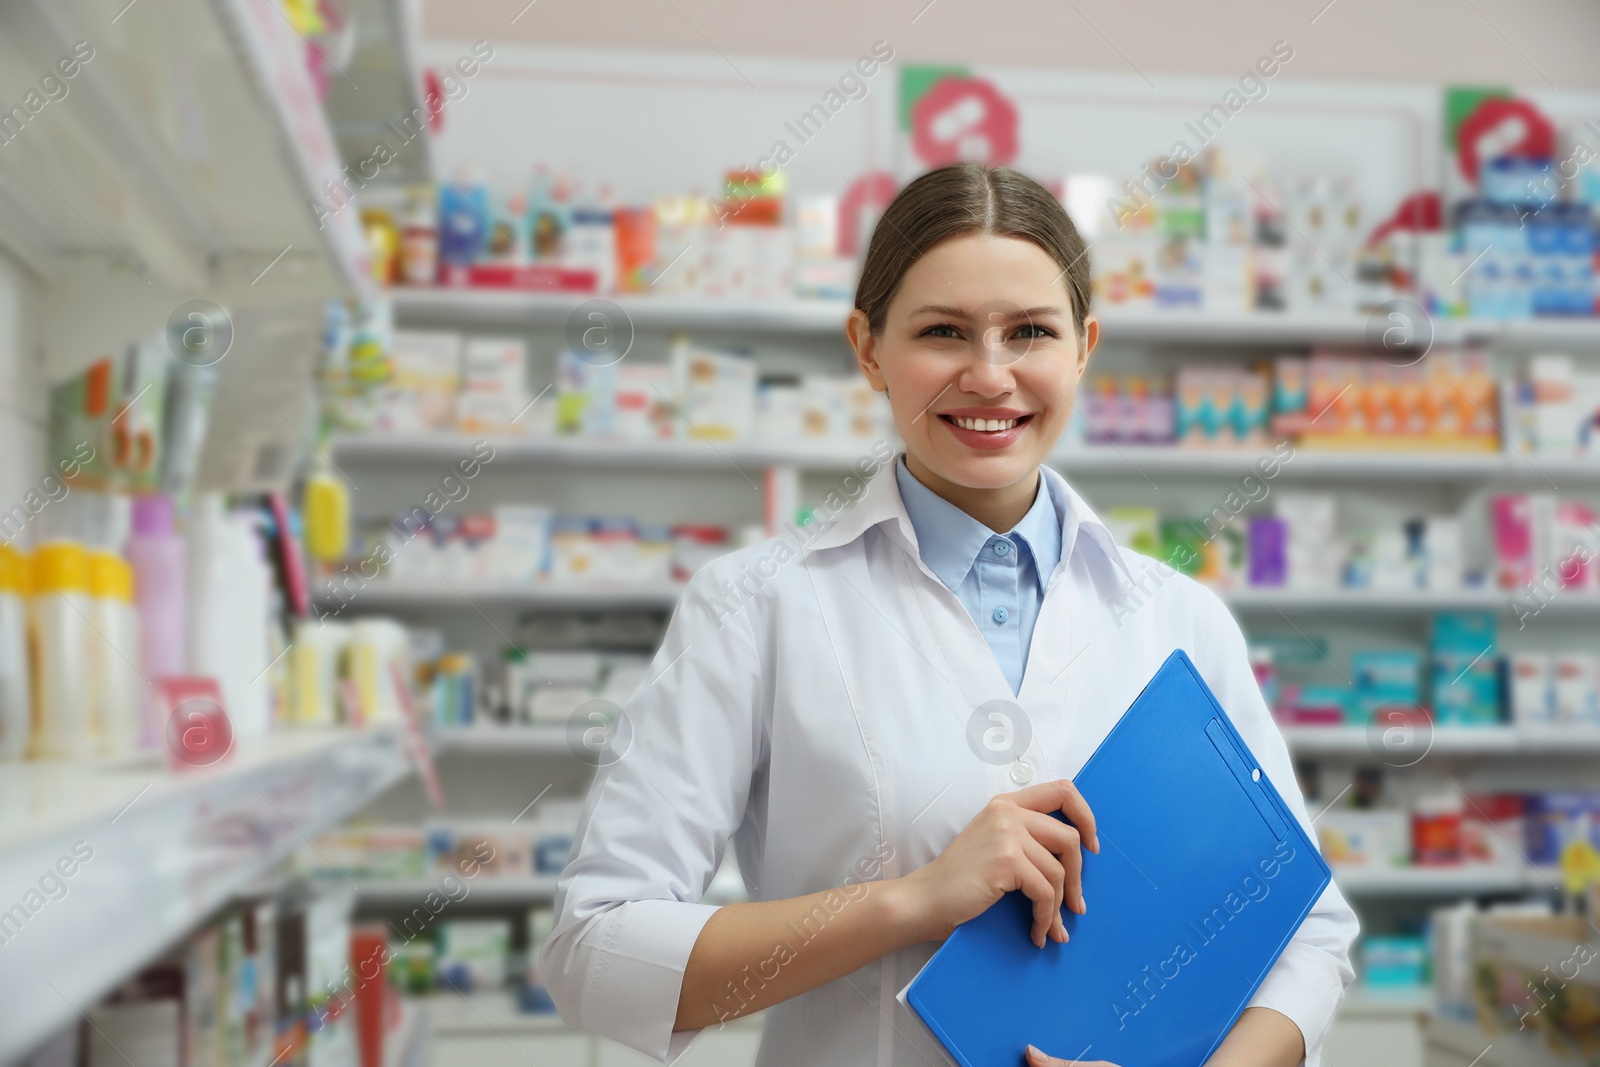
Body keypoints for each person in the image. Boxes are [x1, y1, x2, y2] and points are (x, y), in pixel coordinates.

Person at [542, 162, 1357, 1067]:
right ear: (868, 348)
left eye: (1031, 332)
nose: (990, 374)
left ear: (1083, 347)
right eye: (943, 332)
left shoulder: (1178, 617)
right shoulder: (757, 605)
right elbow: (597, 949)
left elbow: (1305, 930)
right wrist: (915, 898)